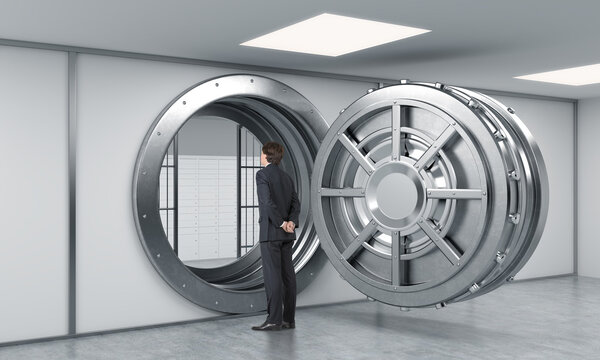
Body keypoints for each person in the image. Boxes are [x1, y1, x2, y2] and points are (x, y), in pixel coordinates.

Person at [251, 142, 300, 331]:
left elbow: (266, 203)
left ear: (266, 155)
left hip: (271, 233)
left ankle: (273, 320)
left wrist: (280, 223)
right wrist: (291, 222)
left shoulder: (262, 174)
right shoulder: (287, 177)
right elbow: (296, 203)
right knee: (288, 277)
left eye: (261, 153)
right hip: (287, 234)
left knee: (273, 277)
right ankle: (289, 320)